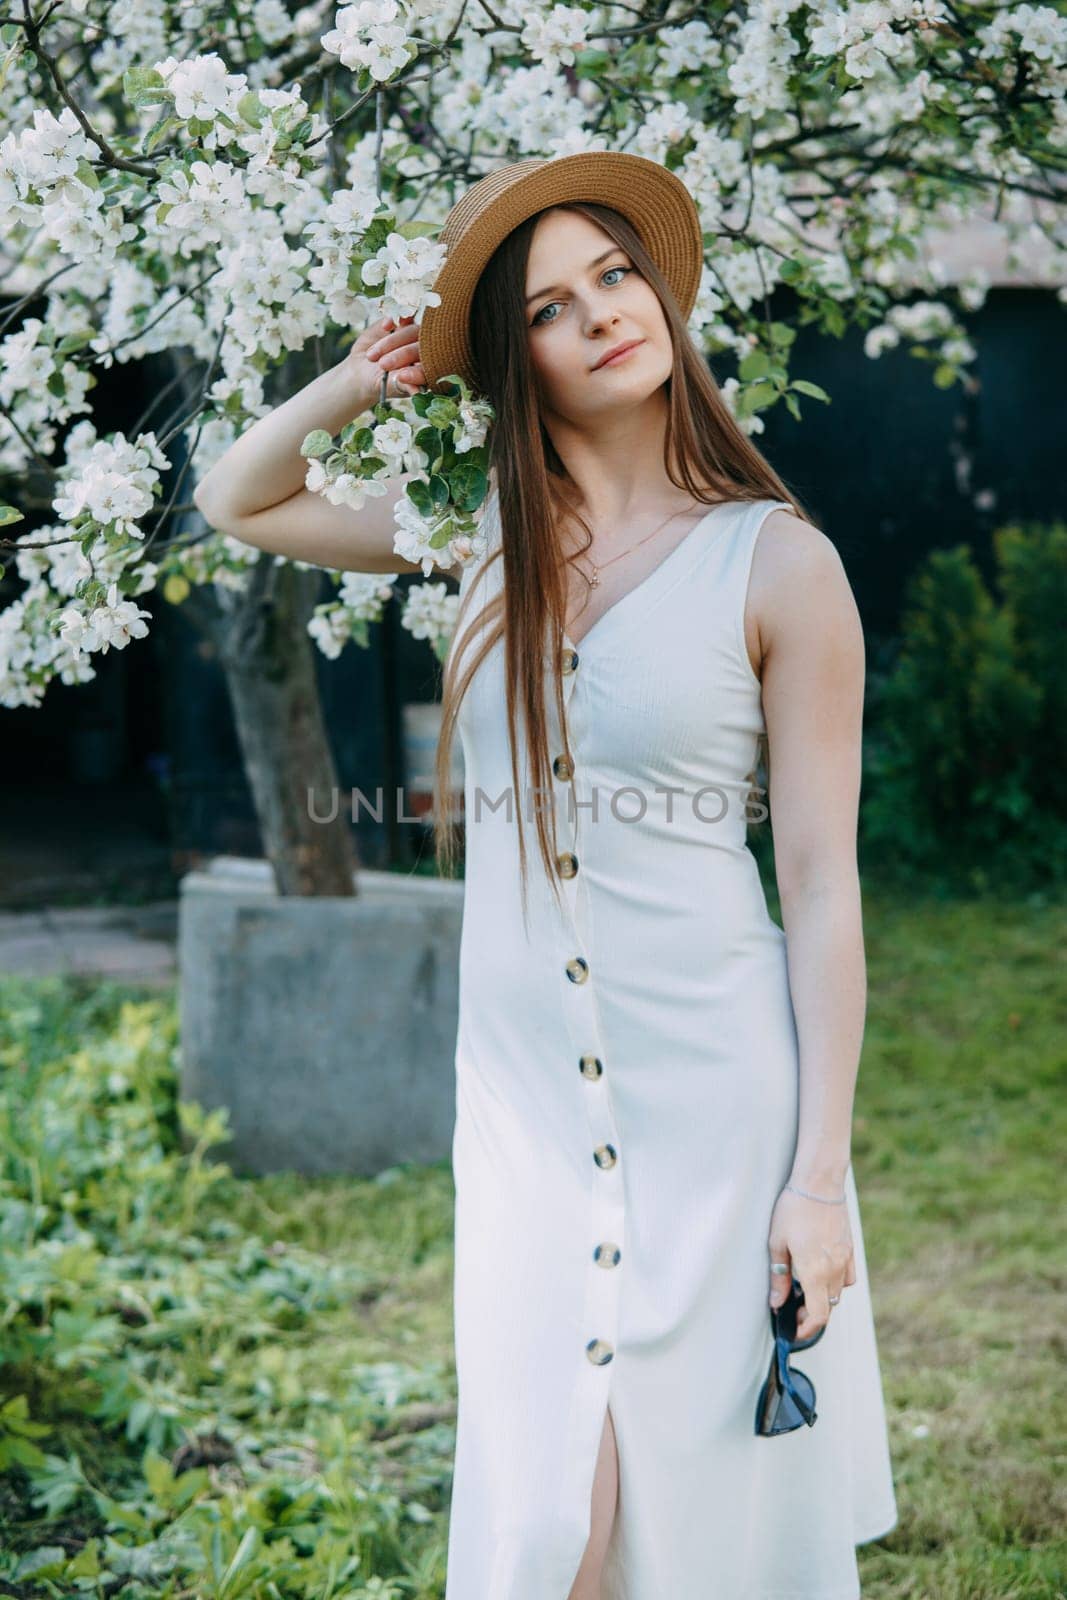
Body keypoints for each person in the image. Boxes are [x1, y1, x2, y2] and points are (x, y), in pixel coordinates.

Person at [194, 151, 898, 1600]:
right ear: (513, 361)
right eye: (548, 307)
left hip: (714, 1100)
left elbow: (823, 886)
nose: (599, 316)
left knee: (697, 1532)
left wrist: (816, 1183)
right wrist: (357, 378)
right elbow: (238, 498)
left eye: (616, 276)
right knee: (547, 1539)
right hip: (522, 1109)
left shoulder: (778, 568)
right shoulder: (474, 538)